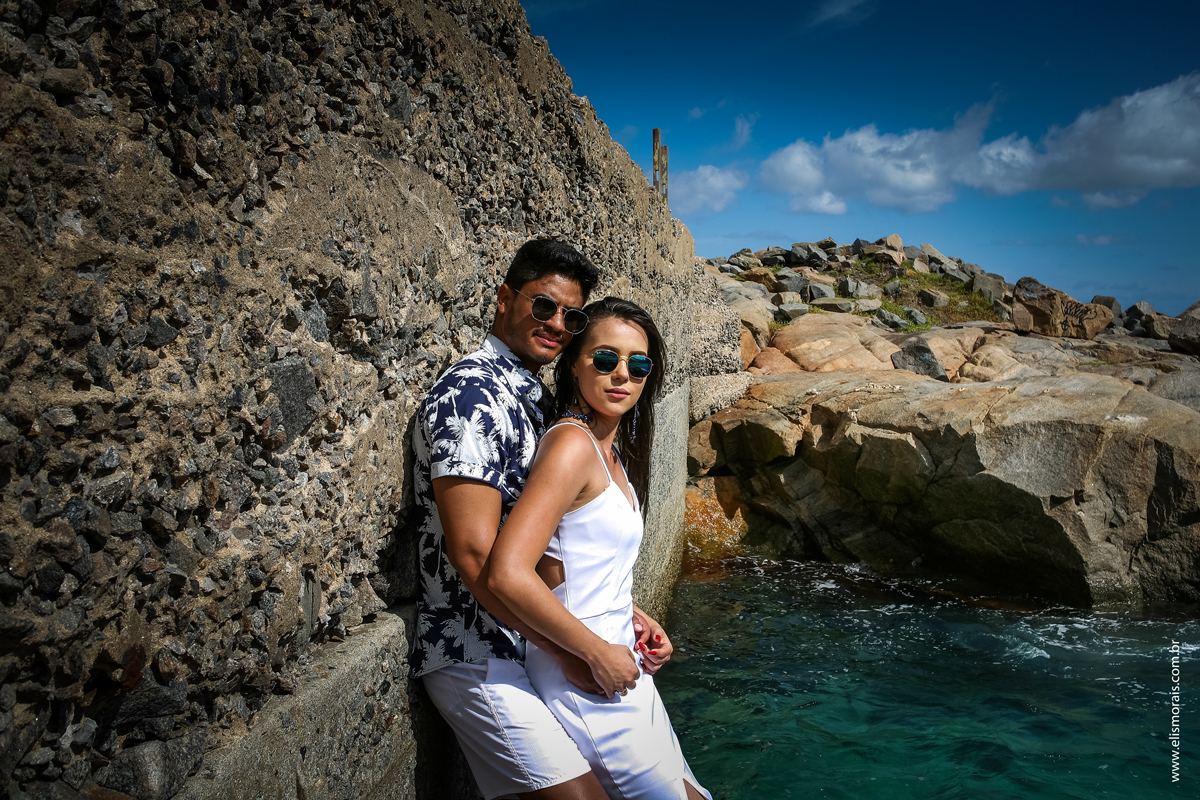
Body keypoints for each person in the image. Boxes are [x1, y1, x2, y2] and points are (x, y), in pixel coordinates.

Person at [411, 240, 672, 800]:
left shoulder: (530, 401)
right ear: (505, 299)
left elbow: (555, 544)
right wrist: (577, 651)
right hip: (477, 651)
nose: (557, 324)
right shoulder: (471, 396)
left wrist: (623, 612)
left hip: (526, 643)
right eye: (543, 306)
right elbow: (478, 557)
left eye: (570, 316)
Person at [489, 297, 712, 800]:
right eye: (605, 359)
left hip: (622, 668)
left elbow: (576, 562)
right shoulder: (571, 446)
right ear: (574, 362)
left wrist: (635, 615)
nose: (622, 377)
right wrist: (594, 653)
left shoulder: (610, 451)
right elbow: (508, 571)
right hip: (588, 679)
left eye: (638, 365)